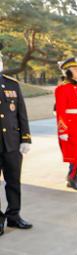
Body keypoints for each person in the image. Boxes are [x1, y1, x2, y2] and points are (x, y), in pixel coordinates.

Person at [0, 42, 33, 236]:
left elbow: (21, 114)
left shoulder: (11, 84)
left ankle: (14, 215)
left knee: (14, 181)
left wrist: (25, 138)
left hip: (12, 143)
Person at [54, 57, 77, 190]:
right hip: (72, 126)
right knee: (76, 154)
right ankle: (71, 177)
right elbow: (60, 111)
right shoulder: (62, 89)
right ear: (68, 72)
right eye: (76, 70)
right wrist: (63, 130)